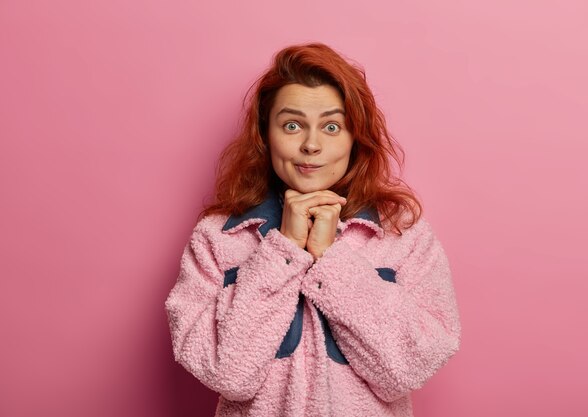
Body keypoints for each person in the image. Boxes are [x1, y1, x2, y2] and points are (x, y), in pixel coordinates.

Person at [165, 42, 461, 417]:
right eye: (292, 125)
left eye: (332, 127)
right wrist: (284, 250)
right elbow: (227, 373)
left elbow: (407, 369)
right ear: (265, 135)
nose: (311, 145)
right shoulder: (217, 237)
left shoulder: (403, 235)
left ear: (356, 138)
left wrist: (331, 260)